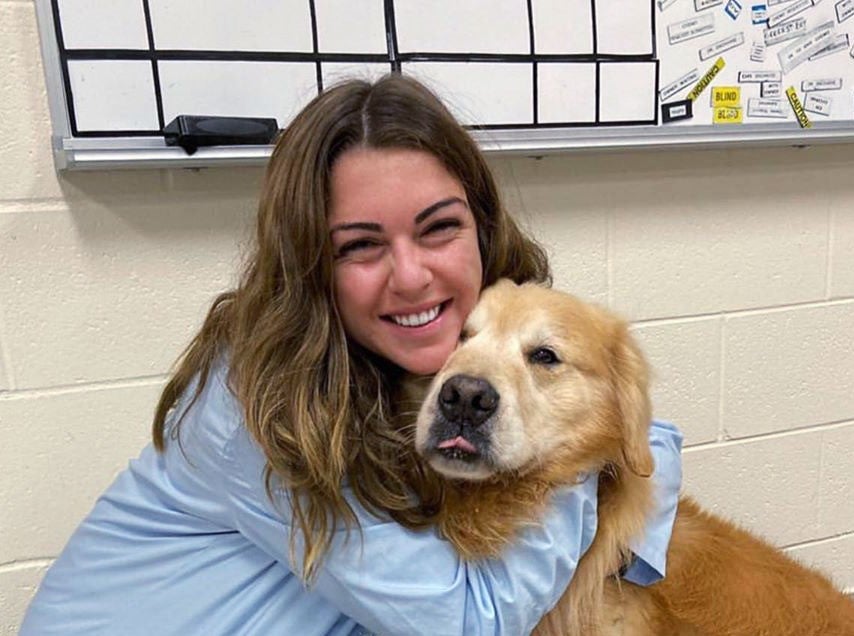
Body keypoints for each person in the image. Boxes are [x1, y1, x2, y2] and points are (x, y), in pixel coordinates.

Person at [21, 74, 683, 635]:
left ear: (481, 227)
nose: (412, 276)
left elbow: (646, 438)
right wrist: (577, 472)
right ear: (312, 265)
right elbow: (468, 619)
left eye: (438, 228)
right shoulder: (251, 405)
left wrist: (607, 483)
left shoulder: (470, 328)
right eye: (360, 245)